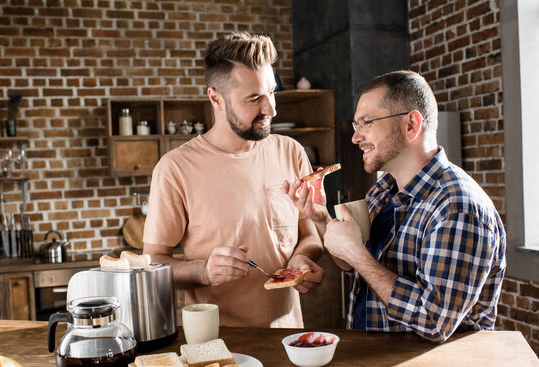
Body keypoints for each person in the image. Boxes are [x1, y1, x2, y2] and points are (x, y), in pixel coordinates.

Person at [283, 70, 506, 342]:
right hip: (377, 363)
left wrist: (357, 255)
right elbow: (354, 266)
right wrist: (320, 217)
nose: (355, 138)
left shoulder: (458, 208)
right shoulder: (383, 189)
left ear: (411, 124)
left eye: (367, 123)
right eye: (356, 125)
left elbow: (434, 322)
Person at [143, 32, 324, 328]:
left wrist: (301, 260)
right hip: (217, 343)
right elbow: (152, 264)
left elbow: (310, 234)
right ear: (216, 98)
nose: (271, 109)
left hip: (288, 336)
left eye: (272, 93)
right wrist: (204, 271)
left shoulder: (291, 152)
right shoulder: (175, 168)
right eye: (254, 98)